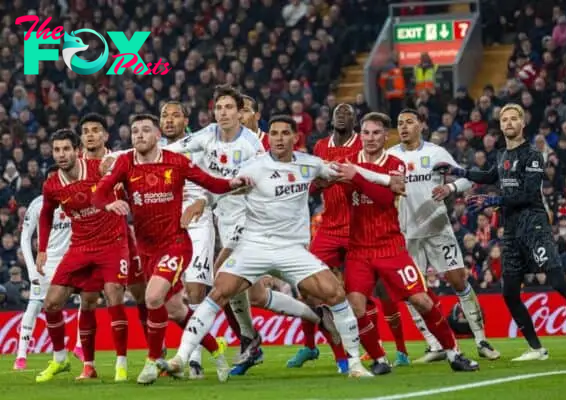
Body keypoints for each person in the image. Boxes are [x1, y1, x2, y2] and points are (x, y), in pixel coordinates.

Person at [159, 115, 399, 379]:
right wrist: (202, 202)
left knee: (336, 295)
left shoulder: (310, 165)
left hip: (292, 250)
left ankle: (354, 365)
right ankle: (181, 357)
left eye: (285, 133)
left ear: (295, 137)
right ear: (268, 137)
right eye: (274, 133)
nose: (279, 138)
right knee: (219, 291)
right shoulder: (253, 167)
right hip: (254, 246)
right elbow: (222, 188)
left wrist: (387, 181)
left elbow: (350, 170)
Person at [166, 87, 328, 375]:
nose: (229, 113)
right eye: (222, 108)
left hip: (251, 223)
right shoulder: (213, 135)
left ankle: (200, 353)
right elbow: (176, 149)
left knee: (220, 282)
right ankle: (310, 318)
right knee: (254, 296)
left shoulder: (258, 145)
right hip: (224, 220)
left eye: (236, 108)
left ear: (250, 114)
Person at [92, 113, 250, 384]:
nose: (139, 135)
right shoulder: (125, 163)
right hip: (147, 249)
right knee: (176, 310)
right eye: (135, 131)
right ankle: (216, 351)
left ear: (157, 137)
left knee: (153, 298)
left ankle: (152, 363)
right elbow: (99, 193)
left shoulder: (176, 161)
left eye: (145, 130)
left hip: (176, 244)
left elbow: (211, 183)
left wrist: (234, 183)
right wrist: (108, 204)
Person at [433, 103, 566, 360]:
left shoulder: (532, 155)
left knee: (557, 281)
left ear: (522, 123)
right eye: (505, 119)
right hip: (510, 230)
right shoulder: (501, 155)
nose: (508, 123)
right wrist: (459, 172)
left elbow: (529, 193)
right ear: (500, 125)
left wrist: (493, 201)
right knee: (509, 292)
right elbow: (488, 176)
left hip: (534, 225)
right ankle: (536, 349)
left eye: (513, 119)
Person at [335, 112, 479, 372]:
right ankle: (379, 359)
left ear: (384, 136)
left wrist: (356, 177)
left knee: (422, 300)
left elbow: (382, 197)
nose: (370, 138)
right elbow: (343, 189)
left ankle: (453, 352)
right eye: (365, 132)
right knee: (357, 306)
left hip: (391, 247)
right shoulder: (347, 162)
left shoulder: (395, 162)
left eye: (376, 133)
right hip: (358, 250)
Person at [388, 109, 501, 362]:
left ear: (422, 125)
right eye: (400, 123)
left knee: (459, 281)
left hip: (438, 229)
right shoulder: (390, 156)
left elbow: (465, 179)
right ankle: (434, 344)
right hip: (406, 234)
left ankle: (481, 340)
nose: (403, 127)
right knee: (411, 291)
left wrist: (449, 187)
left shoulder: (436, 153)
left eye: (409, 122)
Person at [35, 130, 129, 383]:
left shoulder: (99, 168)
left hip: (112, 243)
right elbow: (45, 215)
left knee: (113, 298)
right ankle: (63, 360)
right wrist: (42, 249)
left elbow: (126, 174)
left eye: (66, 149)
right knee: (52, 303)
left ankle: (121, 363)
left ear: (77, 150)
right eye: (57, 150)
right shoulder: (52, 184)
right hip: (81, 247)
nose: (61, 154)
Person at [287, 103, 360, 372]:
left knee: (358, 294)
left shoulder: (364, 144)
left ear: (356, 120)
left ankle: (392, 351)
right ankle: (310, 345)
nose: (342, 115)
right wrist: (320, 183)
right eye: (338, 112)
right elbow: (315, 184)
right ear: (330, 119)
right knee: (306, 285)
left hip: (358, 229)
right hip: (328, 228)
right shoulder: (319, 147)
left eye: (348, 112)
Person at [80, 113, 149, 361]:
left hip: (124, 241)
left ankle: (155, 353)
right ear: (81, 137)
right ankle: (89, 364)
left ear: (105, 136)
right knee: (88, 300)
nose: (90, 135)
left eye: (96, 130)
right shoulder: (74, 166)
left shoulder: (120, 161)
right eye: (86, 131)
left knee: (141, 295)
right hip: (90, 244)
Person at [160, 101, 216, 379]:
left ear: (186, 120)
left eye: (175, 115)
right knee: (166, 297)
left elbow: (216, 184)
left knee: (194, 292)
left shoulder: (201, 146)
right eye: (165, 116)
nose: (169, 120)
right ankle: (164, 355)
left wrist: (204, 202)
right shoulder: (153, 151)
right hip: (166, 229)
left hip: (197, 225)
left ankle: (193, 360)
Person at [14, 190, 71, 371]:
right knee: (35, 304)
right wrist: (32, 270)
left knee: (87, 298)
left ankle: (80, 349)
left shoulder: (75, 198)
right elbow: (25, 238)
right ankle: (21, 355)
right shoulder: (38, 204)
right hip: (45, 265)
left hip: (70, 261)